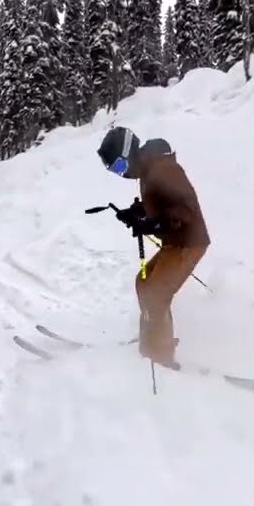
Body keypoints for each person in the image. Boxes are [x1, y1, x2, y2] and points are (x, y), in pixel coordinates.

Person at [96, 126, 210, 368]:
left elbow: (183, 210)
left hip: (189, 242)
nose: (121, 174)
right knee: (143, 282)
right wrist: (136, 214)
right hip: (175, 242)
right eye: (114, 171)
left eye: (119, 167)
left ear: (129, 154)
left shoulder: (163, 169)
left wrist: (150, 224)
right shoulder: (150, 170)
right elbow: (159, 204)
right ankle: (154, 335)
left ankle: (161, 355)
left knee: (155, 293)